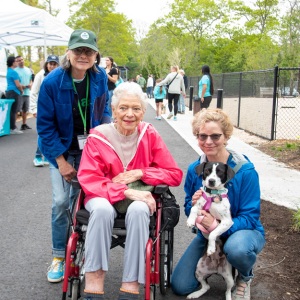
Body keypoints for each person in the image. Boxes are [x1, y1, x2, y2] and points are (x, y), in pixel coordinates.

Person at [77, 81, 183, 300]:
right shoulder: (98, 136)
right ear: (113, 110)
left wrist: (142, 173)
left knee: (139, 210)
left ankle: (131, 284)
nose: (129, 114)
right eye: (123, 108)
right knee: (103, 210)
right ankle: (94, 280)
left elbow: (174, 174)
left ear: (143, 112)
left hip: (139, 199)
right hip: (102, 196)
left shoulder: (149, 134)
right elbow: (89, 178)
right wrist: (125, 191)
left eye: (136, 109)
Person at [37, 29, 111, 283]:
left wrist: (105, 142)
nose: (83, 55)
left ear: (95, 55)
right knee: (60, 202)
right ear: (68, 53)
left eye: (88, 51)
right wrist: (60, 162)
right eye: (78, 50)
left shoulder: (100, 78)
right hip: (60, 149)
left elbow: (106, 112)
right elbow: (45, 127)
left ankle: (85, 249)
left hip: (90, 149)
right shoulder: (51, 82)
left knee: (85, 202)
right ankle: (59, 255)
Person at [171, 108, 265, 300]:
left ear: (226, 136)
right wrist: (196, 208)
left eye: (215, 136)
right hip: (209, 233)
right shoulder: (195, 169)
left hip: (243, 232)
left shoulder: (244, 171)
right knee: (181, 286)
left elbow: (250, 216)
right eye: (202, 136)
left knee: (237, 249)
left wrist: (216, 226)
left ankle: (244, 276)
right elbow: (189, 204)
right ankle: (217, 266)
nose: (208, 142)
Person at [30, 55, 59, 167]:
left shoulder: (59, 75)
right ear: (47, 64)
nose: (52, 66)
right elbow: (34, 92)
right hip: (42, 109)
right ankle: (37, 156)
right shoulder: (40, 75)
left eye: (54, 64)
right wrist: (34, 109)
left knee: (53, 132)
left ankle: (47, 156)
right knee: (44, 133)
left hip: (55, 110)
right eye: (50, 64)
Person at [5, 56, 23, 134]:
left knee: (11, 110)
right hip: (14, 92)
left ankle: (11, 127)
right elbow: (18, 85)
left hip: (9, 91)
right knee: (14, 111)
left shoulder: (8, 71)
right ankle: (13, 128)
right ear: (13, 63)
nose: (17, 62)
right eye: (16, 61)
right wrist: (21, 90)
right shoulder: (13, 72)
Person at [15, 55, 33, 130]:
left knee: (25, 110)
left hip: (27, 93)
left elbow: (31, 80)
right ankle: (13, 126)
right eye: (18, 60)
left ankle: (24, 124)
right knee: (16, 110)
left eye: (21, 59)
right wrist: (23, 86)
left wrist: (30, 84)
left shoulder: (28, 70)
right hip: (19, 93)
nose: (21, 61)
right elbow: (16, 83)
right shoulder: (15, 71)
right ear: (16, 62)